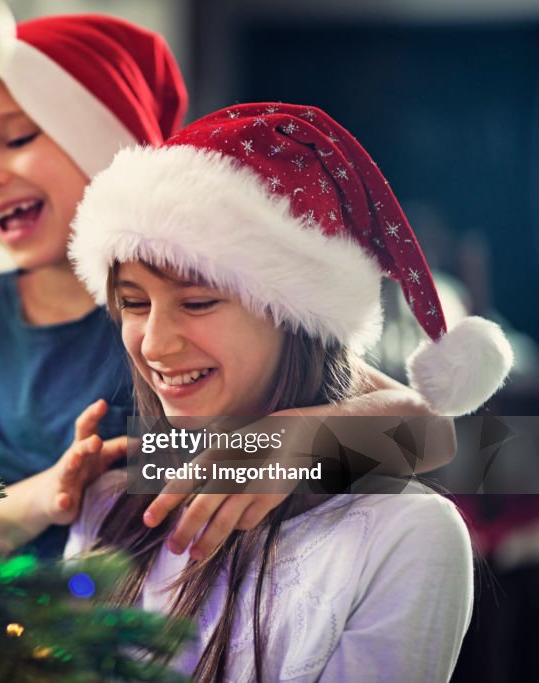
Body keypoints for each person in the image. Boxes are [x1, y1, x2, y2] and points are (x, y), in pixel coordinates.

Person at [0, 16, 453, 558]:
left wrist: (297, 440)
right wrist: (46, 497)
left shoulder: (209, 317)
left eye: (18, 138)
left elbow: (432, 432)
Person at [49, 103, 512, 680]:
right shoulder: (114, 504)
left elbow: (432, 429)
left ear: (298, 319)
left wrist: (304, 440)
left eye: (198, 302)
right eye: (134, 304)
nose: (154, 345)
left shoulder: (405, 536)